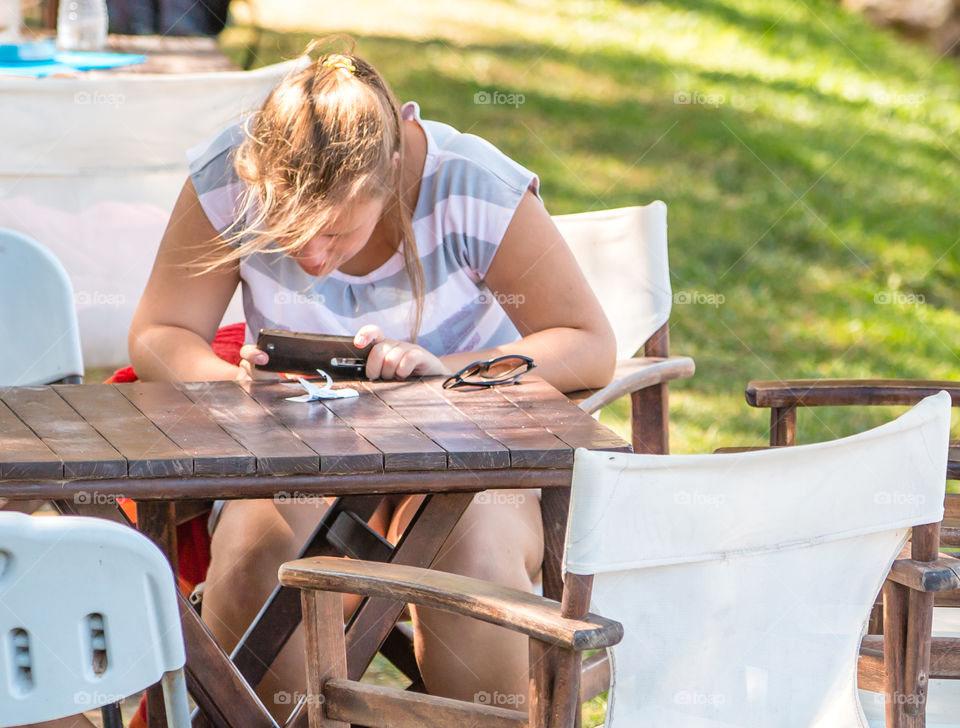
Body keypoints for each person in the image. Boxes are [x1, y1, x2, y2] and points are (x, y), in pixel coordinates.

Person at [126, 43, 616, 718]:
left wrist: (450, 373)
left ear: (392, 176)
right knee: (251, 560)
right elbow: (161, 331)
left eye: (334, 232)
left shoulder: (468, 184)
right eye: (288, 229)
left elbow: (589, 343)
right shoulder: (230, 175)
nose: (310, 256)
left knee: (474, 562)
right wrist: (227, 384)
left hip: (469, 464)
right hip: (295, 453)